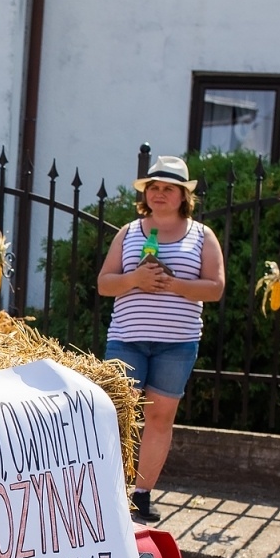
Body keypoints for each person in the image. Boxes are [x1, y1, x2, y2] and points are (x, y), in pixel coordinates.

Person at [97, 155, 226, 521]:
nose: (159, 193)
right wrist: (135, 280)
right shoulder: (130, 232)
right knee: (117, 414)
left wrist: (173, 284)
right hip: (128, 337)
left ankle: (142, 495)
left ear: (184, 195)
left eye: (168, 188)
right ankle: (110, 492)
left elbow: (215, 288)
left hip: (177, 342)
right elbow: (105, 283)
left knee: (160, 417)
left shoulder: (202, 236)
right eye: (153, 187)